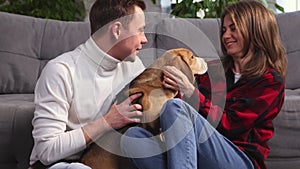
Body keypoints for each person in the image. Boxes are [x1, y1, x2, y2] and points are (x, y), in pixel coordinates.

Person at [120, 1, 287, 169]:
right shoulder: (214, 70)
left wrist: (189, 91)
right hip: (194, 153)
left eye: (233, 28)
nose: (226, 36)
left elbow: (231, 125)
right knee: (133, 137)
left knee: (175, 107)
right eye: (224, 30)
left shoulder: (270, 81)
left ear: (255, 30)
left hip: (239, 158)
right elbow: (182, 115)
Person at [29, 0, 148, 168]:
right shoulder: (61, 71)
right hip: (62, 164)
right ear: (117, 30)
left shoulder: (134, 67)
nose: (145, 39)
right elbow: (47, 150)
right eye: (140, 30)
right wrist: (107, 122)